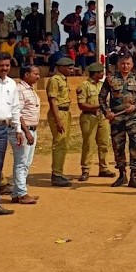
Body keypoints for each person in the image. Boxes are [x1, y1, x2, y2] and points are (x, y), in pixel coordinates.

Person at [99, 54, 136, 189]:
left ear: (132, 65)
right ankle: (121, 174)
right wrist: (107, 111)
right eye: (123, 64)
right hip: (117, 119)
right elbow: (102, 97)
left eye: (128, 64)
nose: (125, 66)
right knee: (118, 147)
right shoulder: (110, 79)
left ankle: (134, 176)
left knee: (135, 146)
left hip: (133, 118)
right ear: (118, 65)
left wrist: (135, 105)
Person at [0, 53, 22, 215]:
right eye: (1, 65)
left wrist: (18, 129)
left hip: (3, 129)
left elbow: (15, 108)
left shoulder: (11, 84)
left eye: (7, 65)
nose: (5, 68)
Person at [76, 63, 115, 182]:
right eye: (101, 73)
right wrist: (100, 106)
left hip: (102, 118)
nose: (103, 74)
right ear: (95, 74)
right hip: (89, 117)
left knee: (104, 143)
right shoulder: (84, 86)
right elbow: (82, 105)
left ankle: (103, 168)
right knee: (89, 144)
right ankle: (86, 169)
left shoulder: (103, 86)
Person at [10, 65, 40, 204]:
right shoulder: (19, 90)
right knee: (21, 162)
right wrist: (26, 132)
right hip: (23, 130)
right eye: (35, 73)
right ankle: (22, 193)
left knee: (26, 162)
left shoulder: (30, 89)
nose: (38, 76)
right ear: (26, 74)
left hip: (31, 129)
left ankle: (17, 193)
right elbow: (17, 112)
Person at [46, 57, 74, 187]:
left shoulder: (63, 79)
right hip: (59, 113)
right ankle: (56, 174)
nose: (71, 70)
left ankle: (59, 172)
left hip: (65, 112)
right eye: (69, 68)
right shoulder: (55, 80)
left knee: (64, 143)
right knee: (59, 143)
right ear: (61, 68)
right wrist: (58, 120)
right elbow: (53, 101)